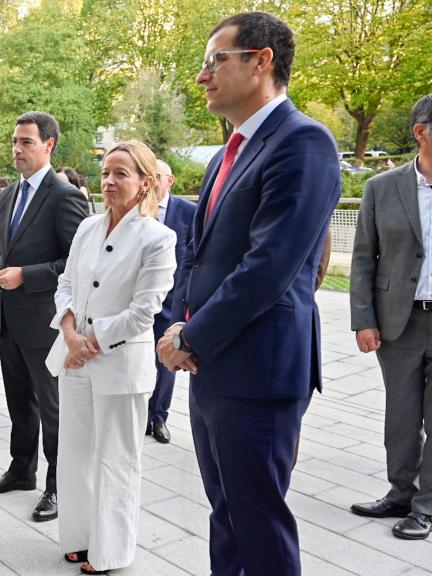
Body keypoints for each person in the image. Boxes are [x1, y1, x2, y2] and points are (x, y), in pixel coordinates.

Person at [156, 13, 341, 575]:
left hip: (259, 368)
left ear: (261, 62)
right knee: (226, 512)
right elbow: (199, 252)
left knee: (257, 517)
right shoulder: (226, 152)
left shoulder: (303, 142)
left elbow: (270, 267)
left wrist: (195, 333)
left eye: (215, 60)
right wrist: (178, 326)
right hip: (210, 363)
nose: (202, 75)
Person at [52, 141, 176, 575]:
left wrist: (92, 342)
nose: (109, 181)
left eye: (121, 173)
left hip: (120, 363)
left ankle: (112, 551)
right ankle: (79, 538)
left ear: (145, 183)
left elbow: (146, 311)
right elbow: (65, 283)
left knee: (116, 458)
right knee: (75, 453)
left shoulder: (159, 238)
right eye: (105, 172)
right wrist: (69, 334)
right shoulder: (87, 227)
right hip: (73, 356)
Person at [0, 111, 88, 521]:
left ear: (49, 145)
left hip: (45, 322)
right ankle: (21, 470)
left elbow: (76, 264)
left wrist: (26, 275)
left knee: (52, 408)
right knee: (18, 403)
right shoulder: (5, 195)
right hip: (9, 322)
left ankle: (58, 486)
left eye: (26, 142)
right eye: (15, 141)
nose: (17, 149)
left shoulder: (64, 196)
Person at [349, 94, 432, 541]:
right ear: (421, 133)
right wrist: (363, 318)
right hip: (400, 320)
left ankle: (426, 506)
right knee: (401, 415)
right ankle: (400, 492)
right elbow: (364, 258)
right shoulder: (381, 189)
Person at [146, 159, 194, 444]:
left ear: (170, 180)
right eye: (148, 176)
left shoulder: (188, 212)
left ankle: (159, 417)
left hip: (171, 303)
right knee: (141, 360)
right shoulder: (138, 210)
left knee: (166, 363)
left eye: (158, 177)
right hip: (140, 302)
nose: (152, 182)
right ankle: (141, 414)